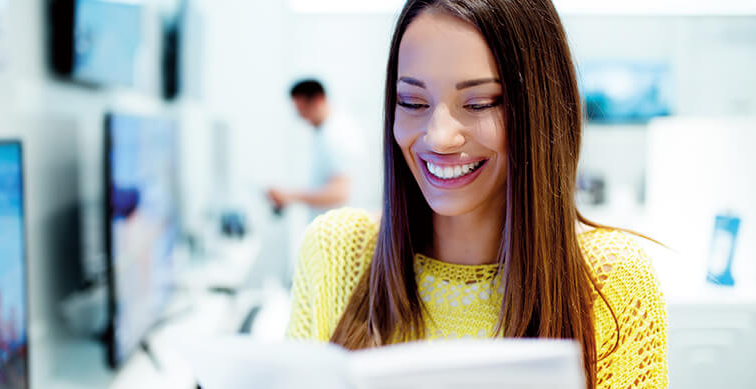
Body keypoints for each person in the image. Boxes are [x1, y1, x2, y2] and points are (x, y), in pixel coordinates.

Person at [285, 1, 668, 389]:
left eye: (478, 104)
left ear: (539, 110)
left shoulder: (611, 280)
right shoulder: (336, 252)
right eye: (413, 103)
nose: (439, 137)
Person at [267, 79, 364, 219]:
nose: (301, 117)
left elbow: (340, 192)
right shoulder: (324, 133)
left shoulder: (339, 133)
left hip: (340, 233)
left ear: (319, 100)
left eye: (302, 109)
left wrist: (289, 195)